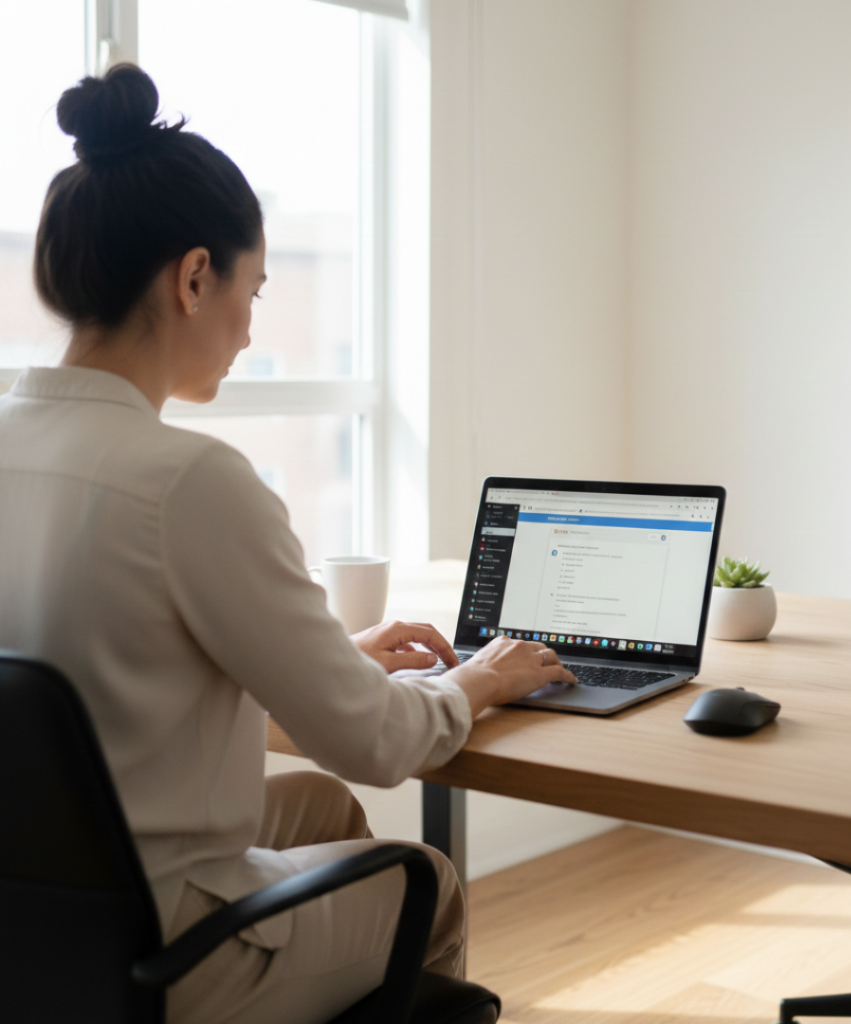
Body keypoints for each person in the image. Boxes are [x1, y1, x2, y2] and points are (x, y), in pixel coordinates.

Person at [0, 64, 575, 1024]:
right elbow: (381, 742)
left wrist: (328, 666)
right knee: (423, 875)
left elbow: (107, 688)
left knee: (317, 812)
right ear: (193, 278)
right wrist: (484, 678)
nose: (249, 329)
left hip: (34, 907)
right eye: (253, 291)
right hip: (159, 947)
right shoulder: (190, 481)